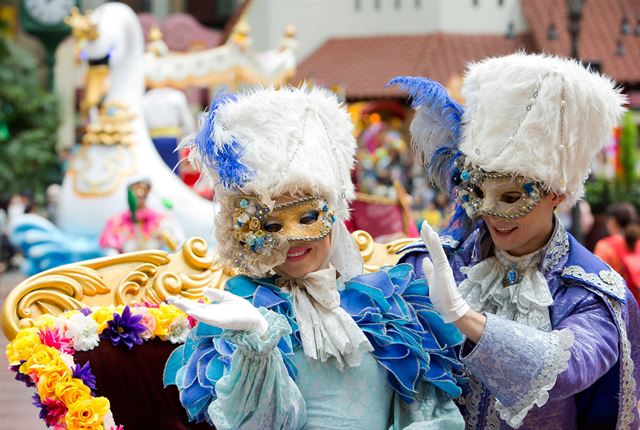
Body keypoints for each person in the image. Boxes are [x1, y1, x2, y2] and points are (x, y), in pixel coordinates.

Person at [164, 86, 465, 429]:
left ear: (334, 214)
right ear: (245, 231)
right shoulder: (242, 317)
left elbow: (428, 414)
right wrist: (257, 345)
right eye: (272, 224)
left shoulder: (385, 307)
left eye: (308, 218)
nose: (292, 237)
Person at [391, 53, 640, 429]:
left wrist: (464, 316)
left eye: (511, 198)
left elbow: (569, 367)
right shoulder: (431, 264)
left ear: (557, 192)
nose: (490, 215)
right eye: (477, 192)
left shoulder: (588, 292)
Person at [99, 176, 184, 254]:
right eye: (135, 188)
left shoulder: (162, 220)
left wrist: (166, 235)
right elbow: (110, 255)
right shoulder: (115, 223)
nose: (140, 193)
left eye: (144, 189)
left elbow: (179, 246)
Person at [594, 202, 640, 303]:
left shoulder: (605, 246)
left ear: (612, 221)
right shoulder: (638, 243)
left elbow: (596, 279)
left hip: (618, 304)